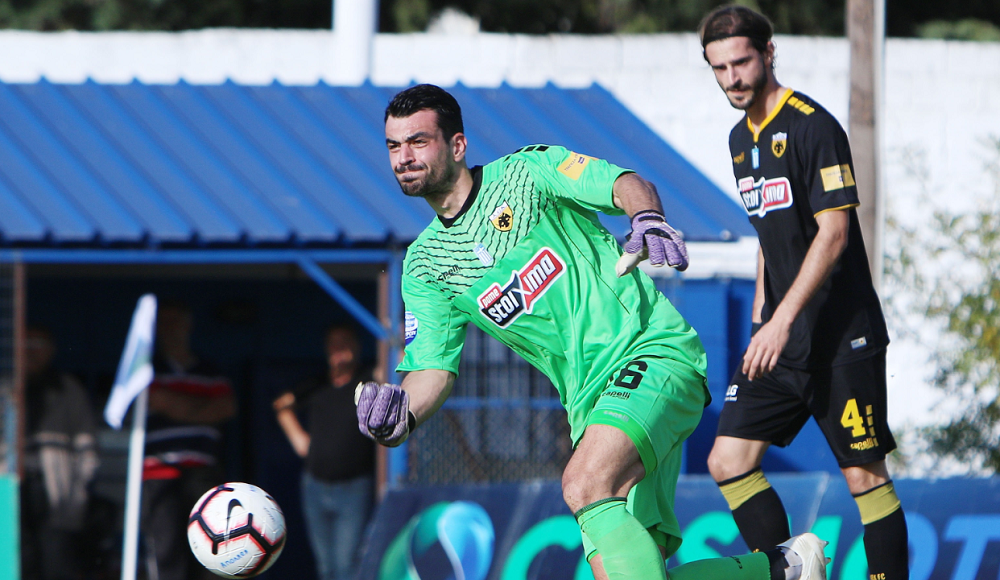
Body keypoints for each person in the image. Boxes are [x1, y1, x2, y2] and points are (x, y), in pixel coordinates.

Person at [355, 83, 829, 580]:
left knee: (583, 484)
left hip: (650, 353)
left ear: (457, 145)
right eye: (394, 146)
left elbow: (623, 182)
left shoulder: (526, 173)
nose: (403, 157)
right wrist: (402, 413)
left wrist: (646, 217)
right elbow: (432, 369)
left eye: (418, 141)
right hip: (589, 407)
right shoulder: (425, 266)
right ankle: (785, 568)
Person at [699, 7, 909, 580]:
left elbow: (834, 233)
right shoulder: (739, 140)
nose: (732, 78)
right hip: (781, 338)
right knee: (727, 460)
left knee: (865, 477)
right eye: (720, 68)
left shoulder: (814, 127)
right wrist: (762, 317)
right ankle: (793, 570)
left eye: (741, 62)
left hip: (842, 337)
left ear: (769, 53)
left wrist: (781, 319)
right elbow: (769, 236)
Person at [141, 300, 236, 580]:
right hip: (158, 474)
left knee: (213, 548)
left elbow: (225, 408)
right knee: (167, 551)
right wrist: (201, 409)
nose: (171, 329)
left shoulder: (210, 371)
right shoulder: (148, 371)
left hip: (203, 473)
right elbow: (156, 399)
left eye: (176, 321)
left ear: (188, 325)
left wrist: (174, 404)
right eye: (164, 323)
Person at [273, 323, 376, 580]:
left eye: (345, 341)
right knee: (326, 567)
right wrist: (299, 439)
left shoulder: (368, 381)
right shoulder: (317, 384)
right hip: (315, 486)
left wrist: (398, 336)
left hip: (354, 487)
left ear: (357, 346)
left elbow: (396, 369)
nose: (339, 348)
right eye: (334, 343)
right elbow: (281, 405)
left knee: (346, 565)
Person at [20, 326, 99, 580]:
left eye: (38, 345)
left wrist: (77, 493)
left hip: (57, 495)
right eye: (26, 344)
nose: (31, 352)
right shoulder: (7, 386)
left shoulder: (68, 389)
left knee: (56, 562)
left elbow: (87, 446)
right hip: (12, 490)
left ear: (51, 350)